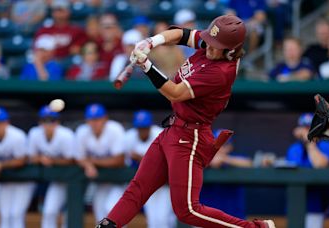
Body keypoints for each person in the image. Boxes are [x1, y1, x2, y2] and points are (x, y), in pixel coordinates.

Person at [97, 14, 275, 228]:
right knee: (138, 187)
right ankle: (109, 224)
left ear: (231, 50)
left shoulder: (220, 72)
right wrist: (152, 41)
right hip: (174, 129)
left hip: (192, 137)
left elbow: (175, 93)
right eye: (210, 40)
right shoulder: (214, 45)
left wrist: (147, 66)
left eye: (215, 45)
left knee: (187, 210)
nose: (208, 46)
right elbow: (182, 34)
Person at [0, 107, 33, 228]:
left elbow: (22, 160)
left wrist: (0, 165)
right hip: (5, 181)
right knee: (5, 215)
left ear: (7, 123)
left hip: (23, 180)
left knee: (16, 215)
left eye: (0, 122)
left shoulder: (17, 136)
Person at [123, 110, 176, 228]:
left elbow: (166, 163)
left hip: (163, 184)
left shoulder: (161, 134)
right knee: (153, 221)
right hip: (146, 185)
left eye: (145, 127)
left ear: (150, 126)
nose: (142, 131)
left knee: (164, 219)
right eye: (139, 128)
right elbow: (124, 163)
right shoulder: (129, 137)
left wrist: (140, 158)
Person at [75, 103, 127, 222]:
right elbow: (78, 158)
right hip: (101, 182)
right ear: (87, 120)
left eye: (97, 119)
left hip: (120, 179)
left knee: (112, 210)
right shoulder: (82, 131)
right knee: (100, 215)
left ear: (105, 118)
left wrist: (92, 161)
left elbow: (119, 160)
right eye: (91, 119)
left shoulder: (115, 129)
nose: (94, 122)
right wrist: (88, 165)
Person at [27, 105, 75, 228]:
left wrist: (52, 161)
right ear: (40, 122)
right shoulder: (35, 133)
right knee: (49, 212)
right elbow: (30, 157)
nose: (48, 124)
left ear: (57, 122)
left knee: (70, 215)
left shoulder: (66, 135)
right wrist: (41, 158)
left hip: (73, 180)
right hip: (58, 181)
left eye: (52, 120)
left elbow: (72, 159)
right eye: (45, 120)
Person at [285, 113, 329, 228]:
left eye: (310, 127)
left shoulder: (326, 145)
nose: (307, 131)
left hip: (317, 205)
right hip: (296, 205)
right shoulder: (295, 148)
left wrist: (309, 142)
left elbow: (319, 165)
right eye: (305, 127)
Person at [200, 129, 252, 220]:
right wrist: (209, 161)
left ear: (230, 147)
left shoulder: (234, 158)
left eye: (224, 145)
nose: (220, 148)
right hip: (206, 217)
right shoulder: (201, 158)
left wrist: (224, 159)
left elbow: (249, 163)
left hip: (232, 216)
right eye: (217, 144)